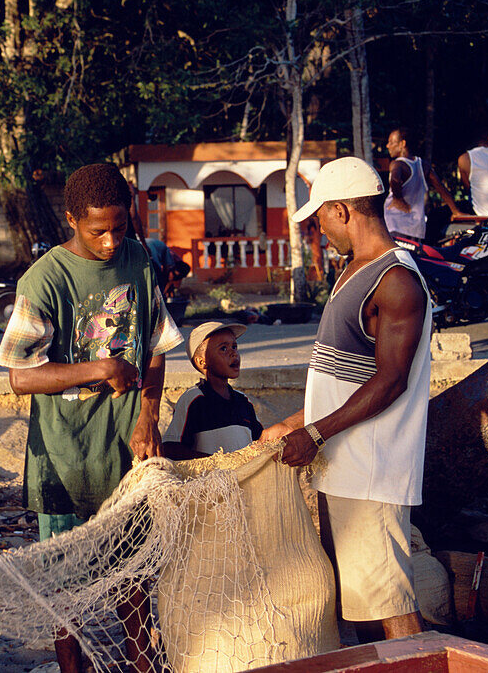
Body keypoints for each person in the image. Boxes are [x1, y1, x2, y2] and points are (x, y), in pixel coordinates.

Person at [0, 163, 183, 673]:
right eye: (98, 230)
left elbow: (158, 348)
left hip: (127, 456)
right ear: (72, 219)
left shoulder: (139, 260)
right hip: (65, 458)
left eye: (119, 227)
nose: (110, 240)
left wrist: (148, 414)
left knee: (137, 582)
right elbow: (20, 376)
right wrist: (96, 368)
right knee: (65, 598)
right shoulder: (45, 279)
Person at [263, 156, 431, 643]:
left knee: (391, 604)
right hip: (343, 466)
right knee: (360, 604)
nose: (320, 230)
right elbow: (346, 377)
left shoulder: (396, 279)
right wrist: (297, 422)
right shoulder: (353, 272)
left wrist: (313, 434)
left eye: (319, 218)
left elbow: (390, 381)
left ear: (342, 211)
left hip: (372, 476)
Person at [162, 321, 262, 460]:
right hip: (210, 479)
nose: (234, 353)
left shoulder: (243, 401)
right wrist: (217, 462)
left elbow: (261, 442)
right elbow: (171, 449)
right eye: (223, 349)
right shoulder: (194, 400)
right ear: (202, 362)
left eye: (234, 346)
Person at [384, 126, 459, 239]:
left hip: (394, 224)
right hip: (416, 228)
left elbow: (395, 180)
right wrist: (456, 211)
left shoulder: (397, 164)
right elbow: (441, 188)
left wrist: (398, 199)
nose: (387, 146)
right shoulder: (423, 165)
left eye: (391, 142)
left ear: (402, 144)